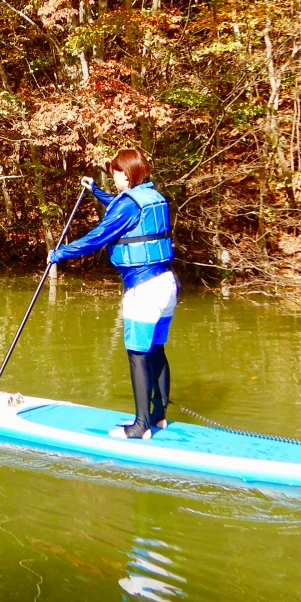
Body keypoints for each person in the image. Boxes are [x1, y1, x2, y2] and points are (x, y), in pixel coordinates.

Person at [48, 148, 177, 439]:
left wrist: (60, 253)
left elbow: (98, 236)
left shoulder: (129, 204)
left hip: (144, 289)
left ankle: (140, 426)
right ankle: (158, 417)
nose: (113, 178)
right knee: (156, 350)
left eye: (115, 173)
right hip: (167, 283)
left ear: (126, 174)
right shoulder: (152, 196)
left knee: (137, 354)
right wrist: (95, 191)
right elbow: (121, 209)